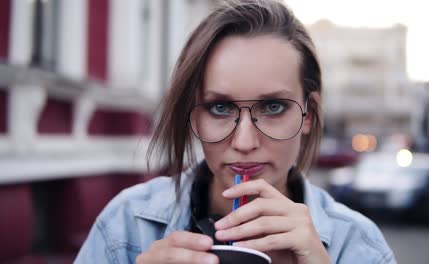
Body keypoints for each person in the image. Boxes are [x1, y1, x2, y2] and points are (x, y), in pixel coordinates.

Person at [75, 0, 396, 263]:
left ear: (308, 113)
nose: (244, 142)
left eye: (272, 107)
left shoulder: (357, 245)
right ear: (194, 117)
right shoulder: (127, 226)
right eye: (220, 108)